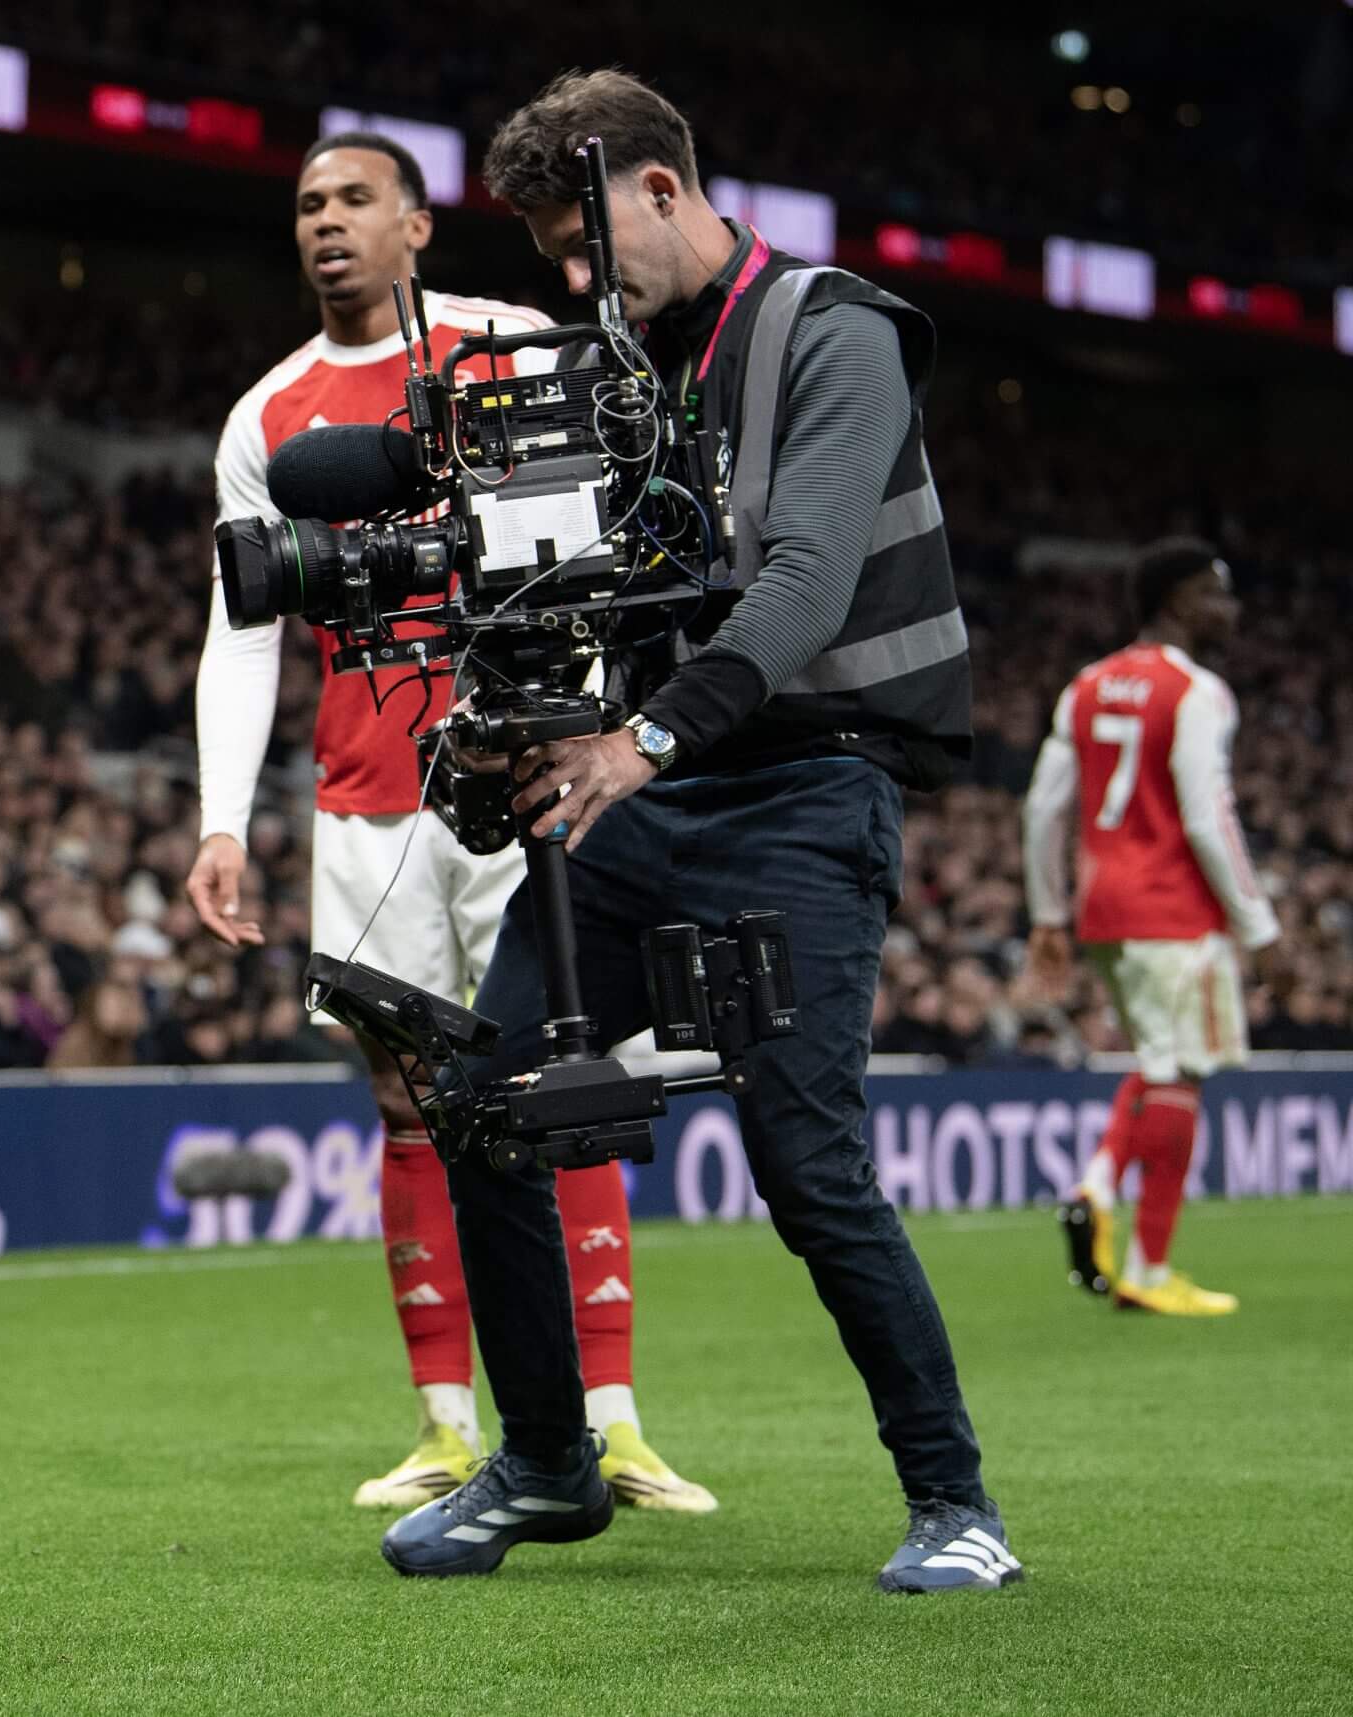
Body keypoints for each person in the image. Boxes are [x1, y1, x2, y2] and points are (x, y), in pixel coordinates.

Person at [378, 72, 1013, 1595]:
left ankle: (955, 1499)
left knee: (804, 1157)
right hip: (645, 779)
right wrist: (502, 719)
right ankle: (545, 1462)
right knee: (484, 1089)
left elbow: (798, 581)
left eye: (587, 248)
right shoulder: (609, 365)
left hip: (801, 783)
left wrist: (639, 740)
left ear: (661, 186)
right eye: (551, 260)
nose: (574, 285)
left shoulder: (834, 328)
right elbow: (568, 595)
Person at [187, 131, 711, 1514]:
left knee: (563, 1085)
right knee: (407, 1102)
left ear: (417, 225)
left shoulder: (513, 346)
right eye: (306, 207)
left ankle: (613, 1418)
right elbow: (242, 631)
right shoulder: (270, 414)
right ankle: (441, 1422)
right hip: (369, 802)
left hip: (536, 771)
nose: (327, 225)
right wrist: (219, 819)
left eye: (355, 199)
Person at [1022, 539, 1274, 1317]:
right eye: (1215, 594)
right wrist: (1258, 922)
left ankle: (1100, 1194)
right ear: (1176, 602)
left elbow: (1042, 809)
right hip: (1173, 908)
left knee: (1160, 1059)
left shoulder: (1087, 684)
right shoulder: (1198, 691)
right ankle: (1147, 1264)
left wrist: (1050, 913)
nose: (1228, 610)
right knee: (1180, 1072)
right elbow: (1207, 816)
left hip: (1104, 908)